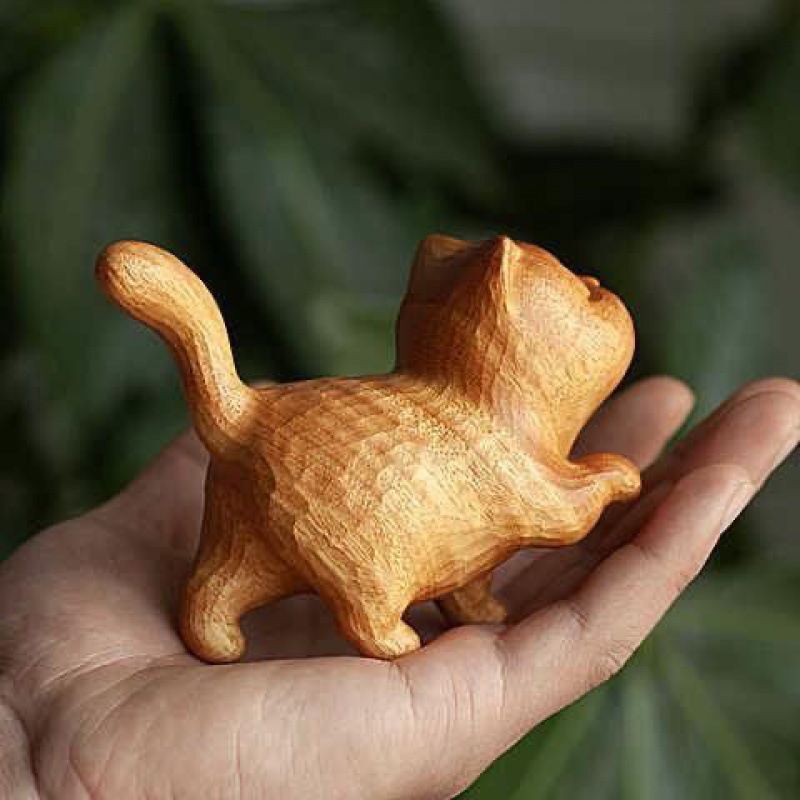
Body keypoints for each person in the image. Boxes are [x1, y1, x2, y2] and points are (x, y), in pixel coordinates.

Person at [0, 376, 797, 799]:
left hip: (261, 435)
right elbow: (550, 513)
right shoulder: (486, 429)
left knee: (246, 553)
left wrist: (40, 767)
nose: (596, 295)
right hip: (335, 481)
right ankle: (368, 611)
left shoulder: (466, 416)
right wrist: (602, 483)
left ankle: (215, 598)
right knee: (374, 519)